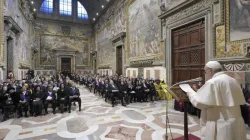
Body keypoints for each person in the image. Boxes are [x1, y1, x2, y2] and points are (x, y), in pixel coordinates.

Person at [186, 61, 246, 140]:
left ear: (210, 70)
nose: (205, 74)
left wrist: (190, 93)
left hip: (220, 123)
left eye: (205, 71)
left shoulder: (212, 82)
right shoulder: (233, 80)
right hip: (236, 121)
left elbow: (199, 103)